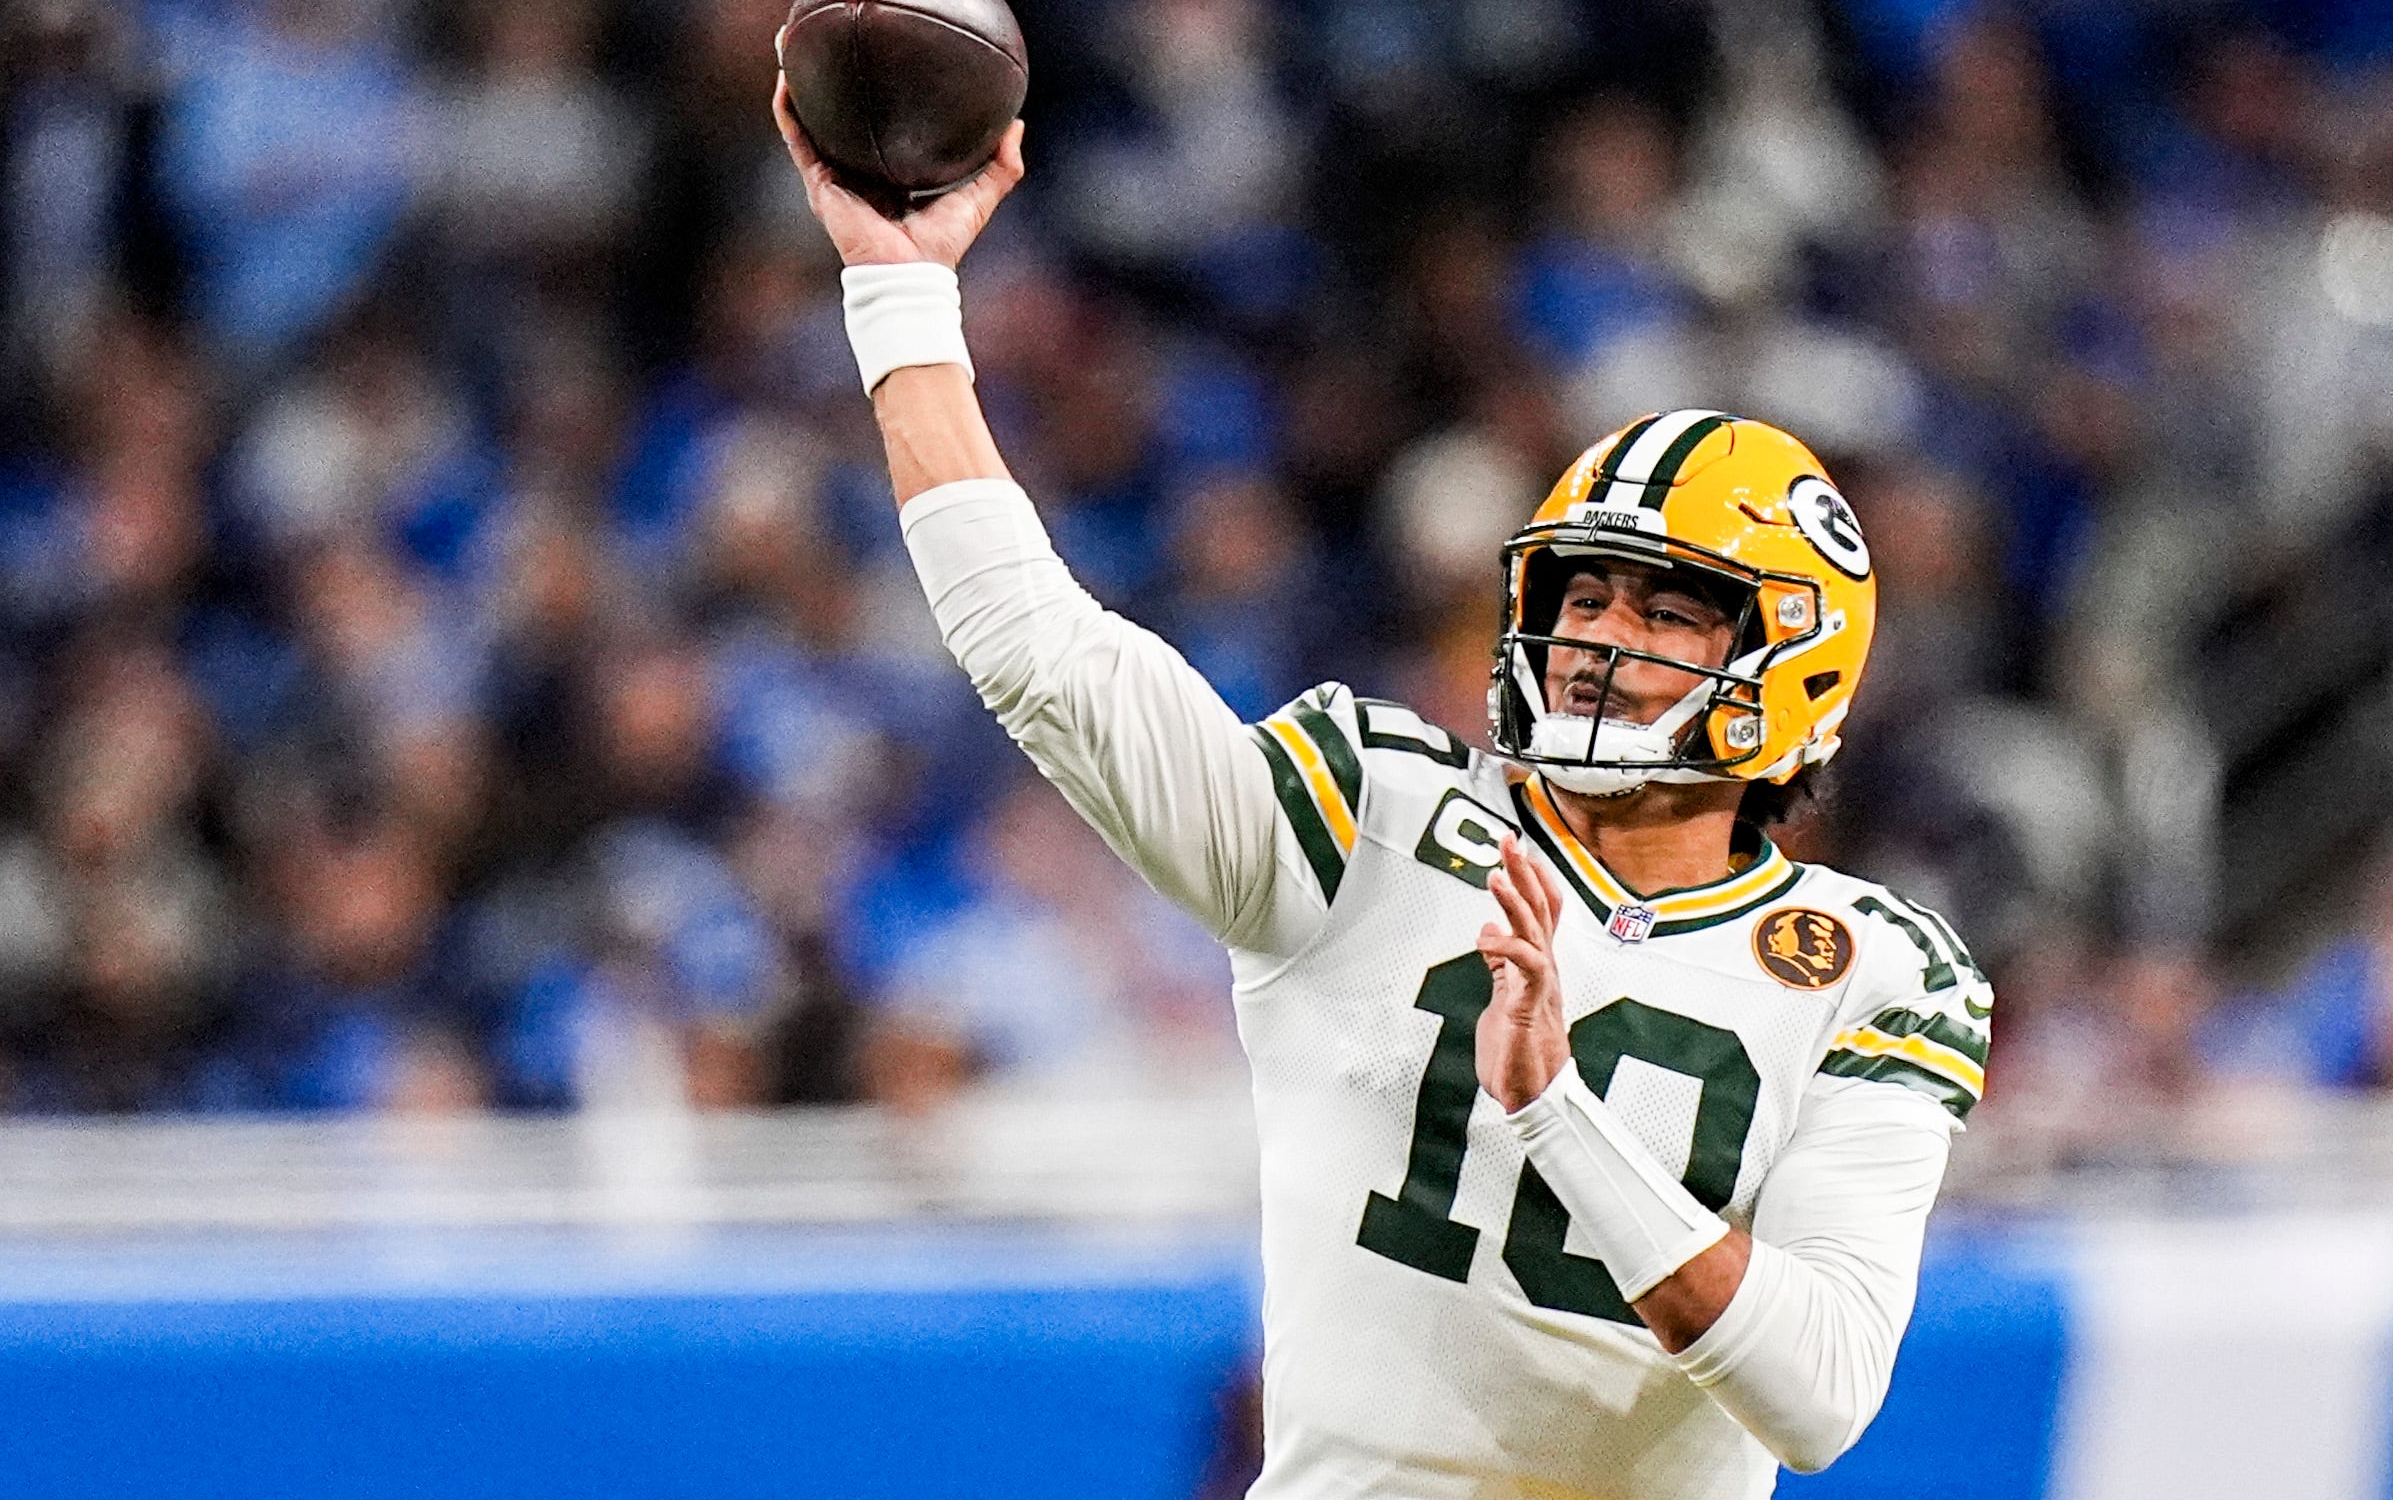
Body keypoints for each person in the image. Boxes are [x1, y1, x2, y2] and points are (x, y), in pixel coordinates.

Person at [772, 78, 1992, 1497]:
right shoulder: (1376, 814)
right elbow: (1042, 654)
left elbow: (1820, 1394)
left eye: (1665, 611)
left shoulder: (1874, 969)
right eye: (1582, 596)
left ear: (1792, 662)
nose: (1596, 640)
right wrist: (901, 295)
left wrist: (1554, 1111)